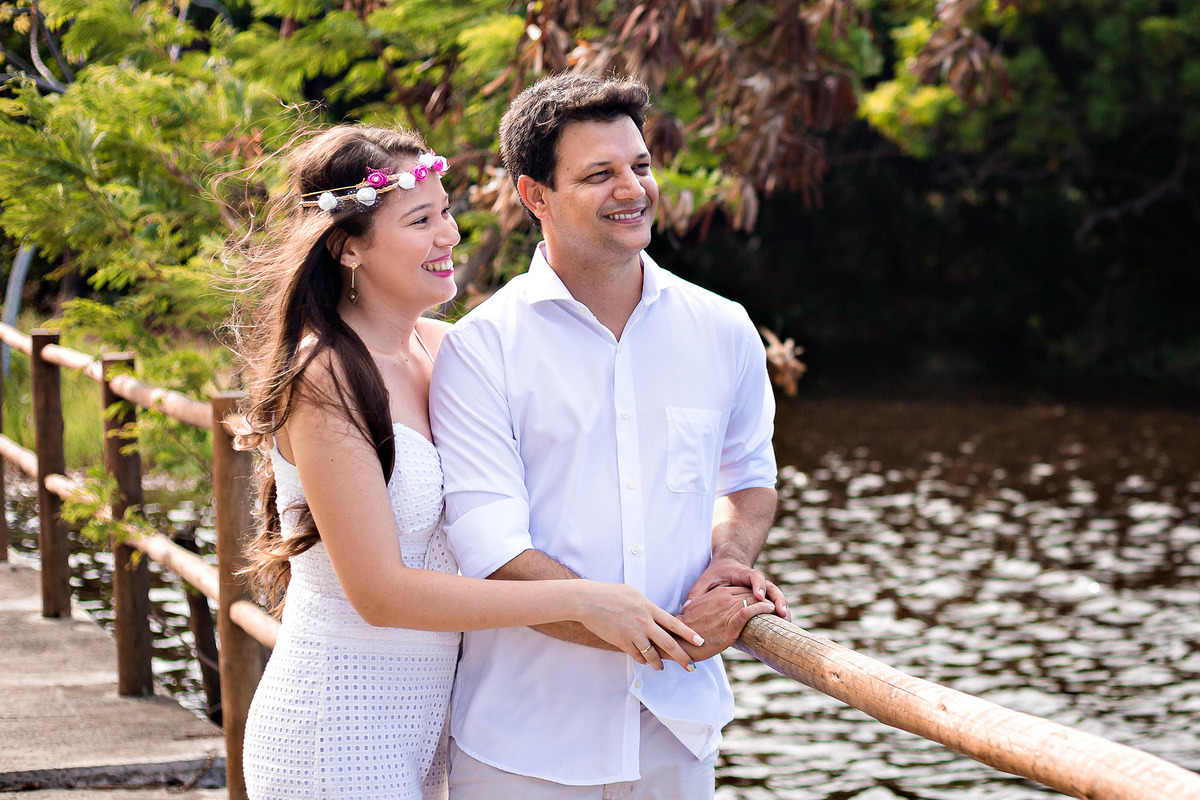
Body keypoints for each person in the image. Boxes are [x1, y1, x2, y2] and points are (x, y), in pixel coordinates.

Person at [228, 124, 706, 800]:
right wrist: (581, 599)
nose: (449, 235)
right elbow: (381, 593)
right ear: (347, 247)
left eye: (446, 211)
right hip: (334, 730)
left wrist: (717, 558)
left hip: (429, 727)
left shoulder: (447, 350)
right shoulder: (326, 377)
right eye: (420, 219)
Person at [429, 73, 790, 798]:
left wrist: (729, 556)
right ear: (536, 196)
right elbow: (492, 552)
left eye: (640, 166)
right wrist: (678, 637)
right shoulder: (480, 349)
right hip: (523, 747)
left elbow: (747, 478)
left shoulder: (722, 328)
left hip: (678, 737)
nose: (633, 188)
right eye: (600, 174)